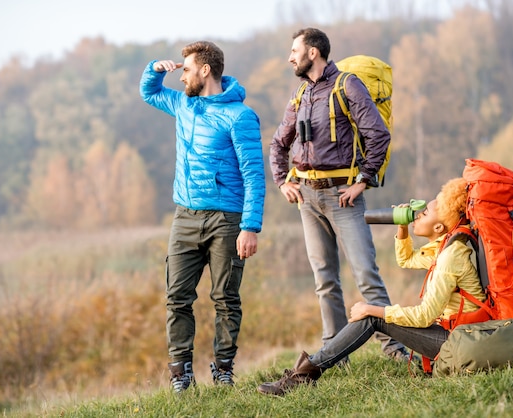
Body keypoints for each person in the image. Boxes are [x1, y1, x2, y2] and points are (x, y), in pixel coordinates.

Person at [257, 177, 487, 396]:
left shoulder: (450, 257)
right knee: (373, 313)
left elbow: (424, 316)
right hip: (457, 335)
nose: (418, 215)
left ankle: (302, 376)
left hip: (457, 342)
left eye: (424, 213)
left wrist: (372, 310)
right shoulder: (451, 245)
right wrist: (402, 227)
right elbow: (406, 260)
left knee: (372, 317)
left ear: (438, 228)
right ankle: (305, 372)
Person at [269, 27, 406, 361]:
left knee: (366, 276)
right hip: (307, 200)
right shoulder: (300, 94)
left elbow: (379, 135)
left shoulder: (349, 85)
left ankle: (394, 349)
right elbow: (278, 143)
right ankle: (334, 353)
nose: (290, 57)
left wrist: (362, 181)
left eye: (294, 51)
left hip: (343, 198)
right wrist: (281, 182)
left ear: (313, 52)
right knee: (325, 280)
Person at [140, 41, 266, 393]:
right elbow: (148, 92)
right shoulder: (183, 105)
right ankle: (181, 374)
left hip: (226, 220)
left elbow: (254, 176)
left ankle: (223, 368)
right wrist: (155, 69)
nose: (182, 77)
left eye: (187, 69)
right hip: (185, 217)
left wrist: (250, 227)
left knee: (226, 298)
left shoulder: (240, 116)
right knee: (177, 297)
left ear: (206, 70)